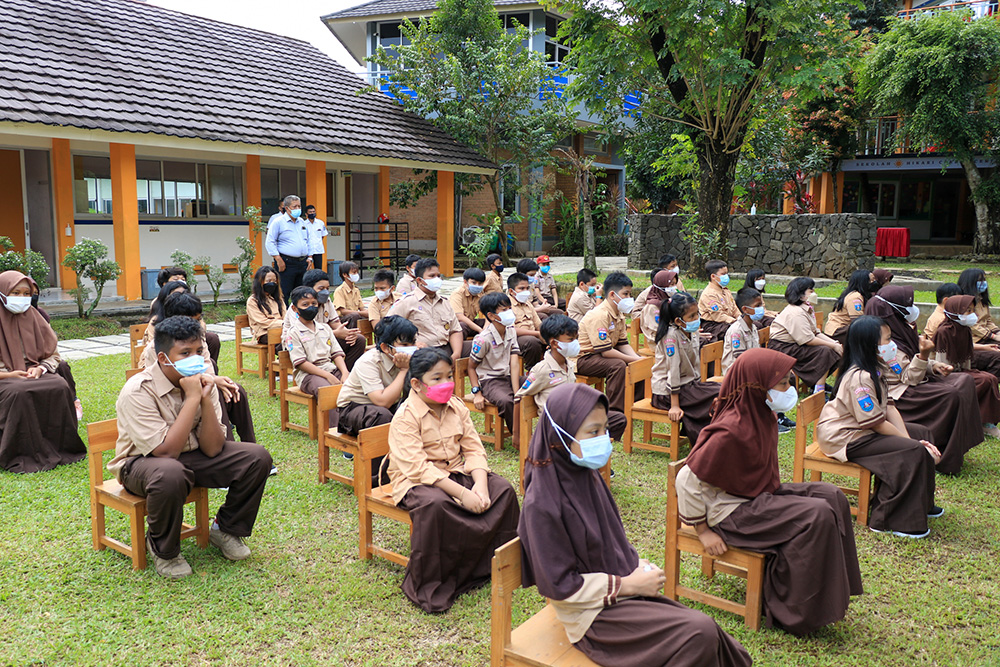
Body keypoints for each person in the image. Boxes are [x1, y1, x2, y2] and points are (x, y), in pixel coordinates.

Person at [518, 383, 752, 667]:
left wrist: (637, 565)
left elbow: (609, 543)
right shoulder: (541, 504)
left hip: (617, 590)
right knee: (697, 634)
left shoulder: (585, 476)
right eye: (593, 432)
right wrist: (628, 585)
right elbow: (561, 588)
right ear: (559, 435)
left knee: (705, 629)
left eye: (605, 429)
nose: (603, 439)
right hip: (590, 615)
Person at [678, 348, 863, 635]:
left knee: (831, 496)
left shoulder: (760, 412)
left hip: (755, 495)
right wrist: (703, 531)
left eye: (789, 382)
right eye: (782, 384)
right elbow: (686, 479)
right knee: (816, 515)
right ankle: (791, 610)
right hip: (728, 512)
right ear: (756, 385)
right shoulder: (731, 429)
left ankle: (833, 590)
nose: (788, 390)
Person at [110, 316, 272, 579]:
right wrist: (192, 398)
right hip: (141, 464)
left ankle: (226, 529)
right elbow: (164, 453)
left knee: (256, 457)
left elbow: (213, 449)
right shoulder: (138, 391)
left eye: (198, 351)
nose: (195, 359)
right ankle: (164, 549)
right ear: (163, 359)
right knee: (170, 472)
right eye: (184, 353)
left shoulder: (203, 382)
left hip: (189, 456)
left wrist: (206, 400)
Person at [387, 347, 520, 613]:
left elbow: (473, 449)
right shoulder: (405, 417)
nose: (446, 383)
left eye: (449, 376)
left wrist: (480, 486)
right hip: (416, 481)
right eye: (437, 378)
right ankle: (434, 583)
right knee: (437, 505)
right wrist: (462, 494)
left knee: (502, 490)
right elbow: (418, 468)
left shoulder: (457, 406)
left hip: (457, 470)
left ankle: (492, 566)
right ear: (416, 384)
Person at [817, 316, 941, 538]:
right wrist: (913, 445)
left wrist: (912, 439)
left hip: (862, 428)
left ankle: (921, 501)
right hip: (844, 436)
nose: (892, 345)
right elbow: (877, 424)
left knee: (921, 433)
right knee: (912, 450)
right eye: (887, 339)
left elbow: (889, 407)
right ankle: (886, 519)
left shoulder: (875, 367)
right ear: (869, 345)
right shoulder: (860, 377)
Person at [866, 309, 986, 474]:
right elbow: (907, 377)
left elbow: (890, 404)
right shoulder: (869, 369)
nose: (911, 309)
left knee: (965, 380)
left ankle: (953, 446)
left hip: (904, 388)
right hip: (901, 392)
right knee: (950, 395)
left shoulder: (901, 334)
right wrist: (910, 443)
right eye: (906, 304)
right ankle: (938, 455)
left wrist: (934, 365)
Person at [0, 270, 85, 473]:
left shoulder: (35, 317)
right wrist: (8, 375)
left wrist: (40, 368)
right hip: (5, 376)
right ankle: (21, 453)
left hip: (31, 371)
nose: (21, 299)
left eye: (26, 293)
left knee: (59, 384)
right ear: (2, 293)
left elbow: (53, 354)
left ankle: (61, 448)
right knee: (18, 392)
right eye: (15, 293)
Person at [144, 291, 256, 444]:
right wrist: (212, 382)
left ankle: (249, 443)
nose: (197, 325)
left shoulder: (199, 341)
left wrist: (214, 380)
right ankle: (227, 444)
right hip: (176, 396)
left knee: (235, 391)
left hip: (201, 382)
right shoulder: (156, 348)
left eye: (199, 319)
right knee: (214, 392)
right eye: (191, 320)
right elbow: (159, 381)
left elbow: (207, 366)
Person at [516, 314, 628, 441]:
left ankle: (592, 444)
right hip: (558, 425)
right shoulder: (542, 370)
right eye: (570, 340)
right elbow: (519, 398)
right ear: (554, 343)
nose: (576, 343)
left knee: (618, 419)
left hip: (575, 417)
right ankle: (585, 445)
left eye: (576, 338)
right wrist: (517, 434)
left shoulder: (569, 363)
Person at [337, 315, 416, 474]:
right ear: (386, 347)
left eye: (412, 343)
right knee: (382, 417)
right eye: (405, 345)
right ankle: (377, 477)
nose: (410, 348)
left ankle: (412, 468)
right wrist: (405, 370)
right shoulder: (369, 361)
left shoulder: (410, 357)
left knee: (415, 412)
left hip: (387, 406)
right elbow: (381, 401)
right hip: (353, 409)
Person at [652, 293, 721, 447]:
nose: (697, 318)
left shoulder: (690, 331)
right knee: (717, 395)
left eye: (697, 313)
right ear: (678, 320)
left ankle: (709, 436)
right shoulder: (670, 338)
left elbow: (693, 365)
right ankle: (703, 439)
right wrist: (674, 405)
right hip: (668, 393)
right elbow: (673, 371)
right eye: (692, 316)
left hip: (688, 386)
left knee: (723, 389)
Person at [284, 286, 349, 429]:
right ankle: (336, 430)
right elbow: (301, 363)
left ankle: (354, 423)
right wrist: (328, 376)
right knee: (327, 391)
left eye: (314, 304)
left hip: (330, 368)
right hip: (308, 375)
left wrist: (345, 372)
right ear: (295, 309)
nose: (311, 307)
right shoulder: (293, 333)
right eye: (305, 305)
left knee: (353, 385)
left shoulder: (325, 328)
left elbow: (336, 353)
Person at [932, 294, 1000, 431]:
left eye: (972, 310)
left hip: (961, 370)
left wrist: (969, 372)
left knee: (990, 378)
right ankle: (969, 417)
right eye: (968, 311)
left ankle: (984, 420)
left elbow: (967, 359)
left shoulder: (965, 330)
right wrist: (963, 374)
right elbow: (942, 364)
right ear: (956, 311)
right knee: (984, 380)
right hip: (946, 373)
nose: (972, 314)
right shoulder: (944, 331)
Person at [577, 272, 642, 413]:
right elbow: (606, 352)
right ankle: (613, 410)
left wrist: (637, 359)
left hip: (601, 355)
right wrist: (633, 359)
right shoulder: (599, 315)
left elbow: (622, 343)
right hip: (584, 358)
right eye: (625, 294)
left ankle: (631, 404)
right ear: (612, 295)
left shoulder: (619, 314)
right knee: (618, 365)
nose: (629, 298)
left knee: (640, 364)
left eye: (630, 294)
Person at [767, 277, 842, 394]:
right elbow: (808, 340)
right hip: (783, 348)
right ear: (801, 295)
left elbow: (816, 332)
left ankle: (817, 383)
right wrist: (832, 346)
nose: (814, 294)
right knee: (825, 351)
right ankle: (818, 389)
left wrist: (835, 343)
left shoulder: (806, 310)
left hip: (795, 344)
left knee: (831, 350)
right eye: (810, 291)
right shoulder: (795, 312)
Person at [387, 258, 465, 359]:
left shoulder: (444, 302)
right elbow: (387, 327)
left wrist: (456, 353)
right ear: (419, 280)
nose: (437, 279)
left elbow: (455, 330)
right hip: (423, 352)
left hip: (446, 347)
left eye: (438, 276)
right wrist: (411, 345)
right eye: (432, 276)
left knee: (481, 346)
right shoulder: (406, 302)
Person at [468, 292, 521, 438]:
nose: (509, 312)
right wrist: (477, 393)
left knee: (536, 386)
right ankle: (519, 435)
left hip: (508, 377)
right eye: (504, 310)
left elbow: (514, 362)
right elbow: (471, 367)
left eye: (509, 308)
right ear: (491, 316)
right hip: (490, 380)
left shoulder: (511, 331)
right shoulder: (483, 339)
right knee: (506, 401)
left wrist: (517, 391)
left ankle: (534, 431)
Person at [295, 269, 366, 371]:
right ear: (309, 289)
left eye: (327, 288)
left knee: (358, 340)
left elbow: (335, 322)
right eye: (321, 288)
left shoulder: (327, 302)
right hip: (304, 342)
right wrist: (335, 333)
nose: (325, 292)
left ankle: (347, 373)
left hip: (324, 339)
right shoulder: (300, 305)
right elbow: (304, 334)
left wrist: (347, 333)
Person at [264, 194, 312, 302]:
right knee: (283, 292)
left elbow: (308, 240)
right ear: (287, 208)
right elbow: (270, 241)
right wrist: (278, 259)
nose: (297, 209)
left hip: (302, 263)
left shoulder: (302, 222)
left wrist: (310, 257)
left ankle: (298, 317)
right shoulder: (278, 222)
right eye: (294, 206)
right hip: (286, 263)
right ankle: (283, 316)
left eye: (299, 206)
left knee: (301, 293)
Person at [957, 267, 1000, 378]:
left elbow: (988, 320)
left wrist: (997, 332)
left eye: (984, 280)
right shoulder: (963, 303)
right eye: (980, 280)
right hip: (974, 341)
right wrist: (993, 336)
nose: (983, 283)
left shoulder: (981, 300)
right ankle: (990, 382)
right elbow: (972, 325)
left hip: (985, 338)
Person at [825, 270, 874, 345]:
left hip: (838, 329)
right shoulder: (855, 297)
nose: (874, 282)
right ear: (863, 282)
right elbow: (858, 321)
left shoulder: (855, 294)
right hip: (838, 331)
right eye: (871, 280)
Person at [508, 272, 546, 369]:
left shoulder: (528, 303)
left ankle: (547, 369)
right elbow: (511, 330)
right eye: (521, 288)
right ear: (511, 291)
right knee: (532, 342)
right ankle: (531, 370)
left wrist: (546, 333)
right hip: (515, 338)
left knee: (552, 337)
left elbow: (538, 323)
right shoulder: (506, 305)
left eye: (527, 288)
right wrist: (537, 334)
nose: (525, 291)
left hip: (533, 334)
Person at [722, 287, 764, 375]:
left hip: (751, 368)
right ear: (745, 309)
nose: (761, 308)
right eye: (757, 306)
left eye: (761, 305)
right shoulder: (737, 331)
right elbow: (741, 359)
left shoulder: (753, 327)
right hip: (737, 373)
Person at [698, 260, 740, 343]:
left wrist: (741, 319)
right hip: (713, 325)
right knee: (736, 330)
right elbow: (718, 316)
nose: (726, 276)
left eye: (726, 273)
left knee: (754, 325)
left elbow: (735, 309)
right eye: (723, 274)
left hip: (727, 322)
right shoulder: (709, 294)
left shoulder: (725, 291)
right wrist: (735, 322)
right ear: (713, 276)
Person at [246, 266, 284, 344]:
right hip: (264, 333)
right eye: (269, 281)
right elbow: (263, 322)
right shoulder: (253, 301)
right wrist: (283, 323)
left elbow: (285, 315)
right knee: (285, 342)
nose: (272, 283)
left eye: (274, 281)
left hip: (282, 330)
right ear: (260, 282)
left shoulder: (278, 298)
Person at [638, 269, 677, 343]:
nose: (674, 287)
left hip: (671, 336)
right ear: (662, 285)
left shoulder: (669, 301)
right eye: (671, 284)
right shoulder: (652, 307)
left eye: (675, 284)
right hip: (659, 342)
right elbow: (656, 330)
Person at [449, 267, 486, 338]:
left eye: (480, 283)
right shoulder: (457, 293)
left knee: (493, 322)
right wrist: (480, 330)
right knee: (462, 326)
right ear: (465, 282)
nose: (477, 286)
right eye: (474, 283)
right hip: (456, 325)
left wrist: (485, 327)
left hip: (471, 323)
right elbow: (459, 317)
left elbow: (488, 312)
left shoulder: (480, 294)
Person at [333, 261, 367, 327]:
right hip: (343, 319)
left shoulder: (356, 290)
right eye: (354, 273)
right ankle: (351, 335)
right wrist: (361, 313)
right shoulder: (340, 290)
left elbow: (362, 308)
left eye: (357, 272)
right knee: (355, 315)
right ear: (345, 275)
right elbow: (343, 311)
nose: (356, 274)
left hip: (355, 316)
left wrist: (368, 313)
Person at [304, 204, 327, 270]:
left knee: (318, 269)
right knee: (306, 268)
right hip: (307, 251)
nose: (312, 213)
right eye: (310, 212)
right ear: (306, 214)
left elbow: (323, 235)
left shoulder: (320, 223)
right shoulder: (303, 224)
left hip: (318, 250)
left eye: (313, 212)